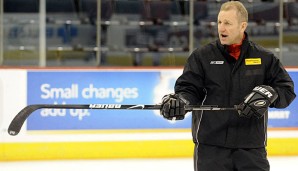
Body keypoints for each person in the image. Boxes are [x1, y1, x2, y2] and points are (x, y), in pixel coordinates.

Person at [160, 1, 296, 171]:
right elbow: (188, 89)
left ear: (242, 26)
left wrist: (270, 93)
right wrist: (181, 101)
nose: (221, 28)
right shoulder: (201, 57)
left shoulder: (264, 58)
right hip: (211, 149)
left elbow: (286, 89)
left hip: (251, 148)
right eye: (219, 22)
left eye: (227, 23)